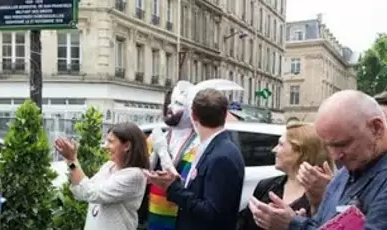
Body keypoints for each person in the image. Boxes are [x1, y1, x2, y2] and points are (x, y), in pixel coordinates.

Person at [248, 90, 387, 230]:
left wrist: (292, 225)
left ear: (376, 127)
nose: (335, 155)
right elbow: (322, 224)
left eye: (342, 144)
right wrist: (299, 219)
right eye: (328, 146)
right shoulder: (346, 172)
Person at [145, 88, 245, 230]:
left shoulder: (221, 156)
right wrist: (172, 182)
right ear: (225, 114)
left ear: (193, 115)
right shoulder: (214, 146)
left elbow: (211, 213)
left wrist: (173, 188)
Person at [237, 120, 334, 230]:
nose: (274, 150)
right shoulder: (267, 186)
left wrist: (297, 224)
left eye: (281, 144)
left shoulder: (325, 194)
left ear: (300, 152)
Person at [55, 122, 149, 230]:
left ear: (127, 146)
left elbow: (91, 192)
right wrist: (70, 161)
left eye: (110, 142)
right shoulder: (109, 166)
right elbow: (81, 190)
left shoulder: (135, 176)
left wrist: (72, 160)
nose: (105, 146)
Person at [143, 81, 199, 230]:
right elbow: (141, 173)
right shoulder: (156, 138)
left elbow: (187, 182)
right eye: (170, 101)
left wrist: (162, 152)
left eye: (178, 103)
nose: (169, 106)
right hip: (154, 216)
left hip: (181, 218)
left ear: (190, 110)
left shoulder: (199, 144)